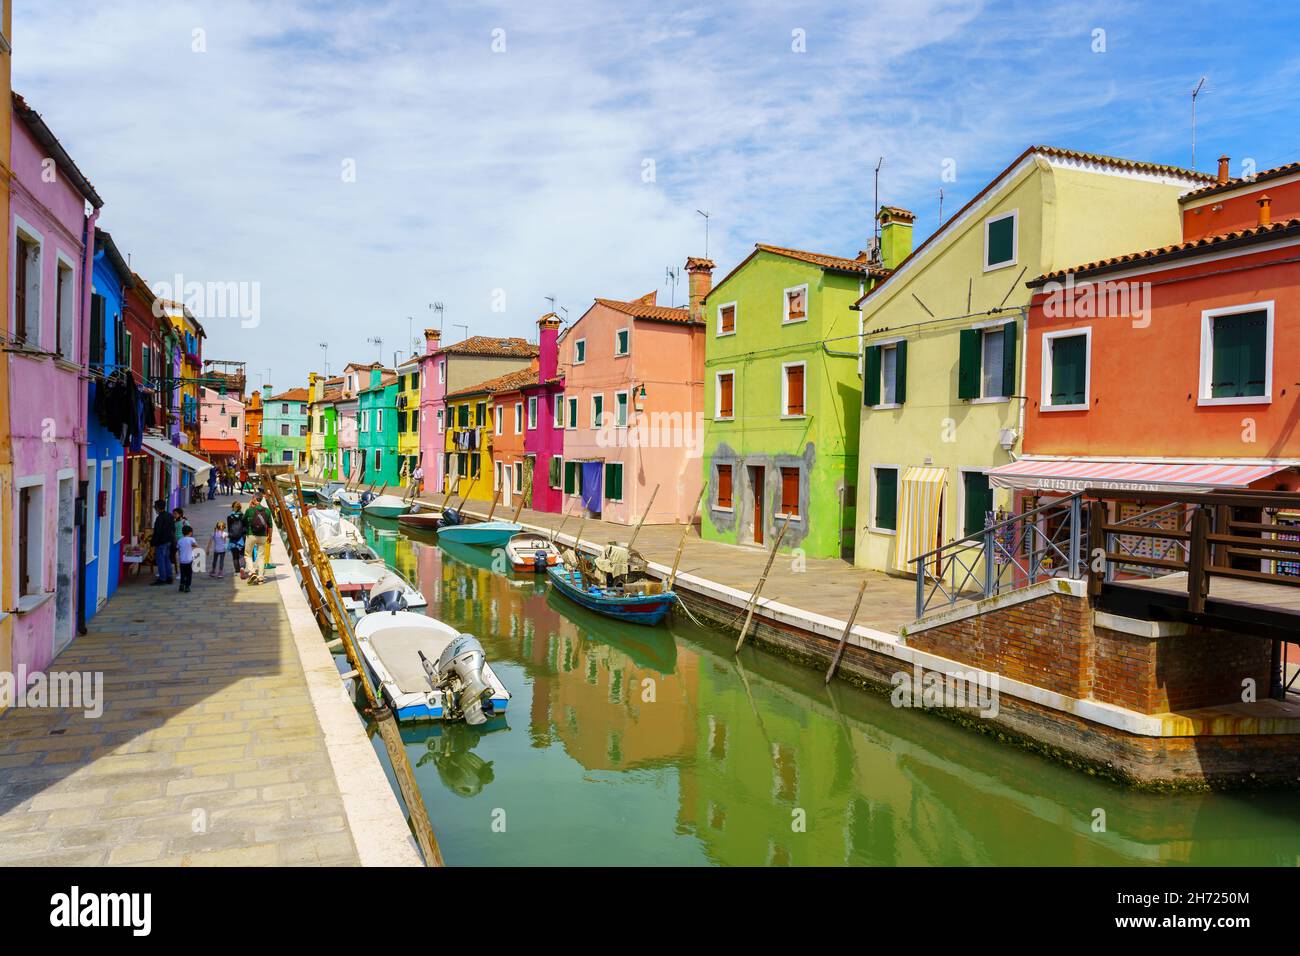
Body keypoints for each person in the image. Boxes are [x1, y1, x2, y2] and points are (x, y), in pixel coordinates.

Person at [245, 493, 275, 585]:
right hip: (263, 536)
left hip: (251, 535)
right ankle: (261, 578)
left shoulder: (250, 510)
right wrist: (270, 536)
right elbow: (270, 525)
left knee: (247, 555)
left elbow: (243, 520)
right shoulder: (267, 511)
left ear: (254, 499)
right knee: (261, 556)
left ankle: (252, 572)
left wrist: (249, 507)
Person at [150, 500, 175, 585]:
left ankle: (162, 578)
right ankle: (169, 577)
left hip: (161, 542)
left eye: (155, 507)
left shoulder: (159, 518)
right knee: (167, 559)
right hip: (168, 541)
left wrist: (153, 543)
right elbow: (173, 529)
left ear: (157, 508)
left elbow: (157, 532)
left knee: (160, 560)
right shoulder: (170, 516)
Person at [227, 501, 248, 578]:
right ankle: (242, 567)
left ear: (233, 507)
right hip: (241, 538)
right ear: (240, 508)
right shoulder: (243, 516)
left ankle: (237, 570)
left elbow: (229, 529)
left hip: (233, 538)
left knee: (235, 555)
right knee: (241, 554)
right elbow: (245, 528)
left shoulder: (229, 517)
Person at [177, 524, 197, 592]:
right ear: (190, 532)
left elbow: (178, 547)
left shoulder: (180, 540)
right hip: (189, 560)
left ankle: (182, 584)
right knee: (189, 574)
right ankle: (187, 586)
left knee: (183, 574)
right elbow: (195, 545)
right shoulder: (191, 539)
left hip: (182, 560)